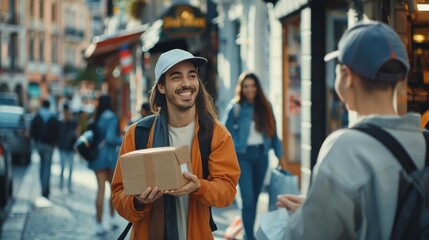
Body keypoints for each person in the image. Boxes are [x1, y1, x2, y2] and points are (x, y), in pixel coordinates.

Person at [276, 21, 425, 239]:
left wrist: (303, 219)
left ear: (347, 76)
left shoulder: (345, 149)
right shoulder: (425, 142)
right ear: (400, 78)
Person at [111, 49, 240, 239]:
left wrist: (199, 187)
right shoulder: (137, 134)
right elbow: (119, 197)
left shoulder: (216, 134)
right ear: (161, 86)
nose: (186, 83)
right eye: (176, 77)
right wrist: (138, 201)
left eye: (192, 75)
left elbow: (227, 192)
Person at [222, 71, 285, 240]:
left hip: (261, 156)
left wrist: (280, 157)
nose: (250, 90)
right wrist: (233, 148)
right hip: (242, 157)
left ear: (257, 87)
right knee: (248, 200)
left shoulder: (266, 106)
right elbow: (223, 132)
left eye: (252, 86)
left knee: (255, 199)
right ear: (241, 89)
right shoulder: (235, 107)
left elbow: (273, 132)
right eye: (246, 86)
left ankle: (247, 232)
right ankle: (249, 236)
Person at [88, 94, 123, 235]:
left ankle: (98, 224)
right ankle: (112, 218)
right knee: (113, 189)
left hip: (97, 157)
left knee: (100, 190)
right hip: (109, 157)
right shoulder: (112, 117)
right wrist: (122, 139)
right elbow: (110, 138)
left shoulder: (97, 117)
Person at [30, 99, 60, 198]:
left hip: (39, 144)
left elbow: (32, 130)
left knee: (42, 166)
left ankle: (43, 187)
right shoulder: (53, 117)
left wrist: (35, 141)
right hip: (50, 145)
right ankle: (45, 189)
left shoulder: (38, 116)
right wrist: (56, 142)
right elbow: (57, 131)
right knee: (47, 167)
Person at [58, 103, 78, 193]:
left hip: (68, 148)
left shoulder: (72, 122)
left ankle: (66, 186)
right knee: (64, 168)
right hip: (64, 147)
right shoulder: (61, 121)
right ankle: (62, 185)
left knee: (68, 168)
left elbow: (77, 134)